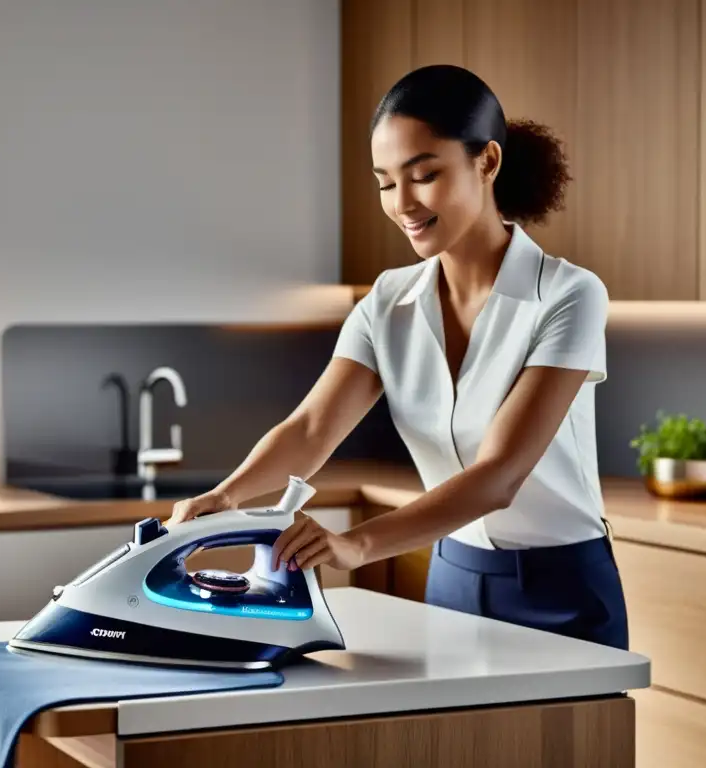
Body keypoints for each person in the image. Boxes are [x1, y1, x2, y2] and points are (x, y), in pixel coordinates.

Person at [167, 64, 628, 650]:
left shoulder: (566, 295)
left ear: (487, 162)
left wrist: (354, 545)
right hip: (453, 577)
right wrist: (226, 496)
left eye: (424, 175)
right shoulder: (388, 302)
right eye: (385, 182)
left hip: (562, 589)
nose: (402, 203)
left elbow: (499, 476)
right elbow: (311, 428)